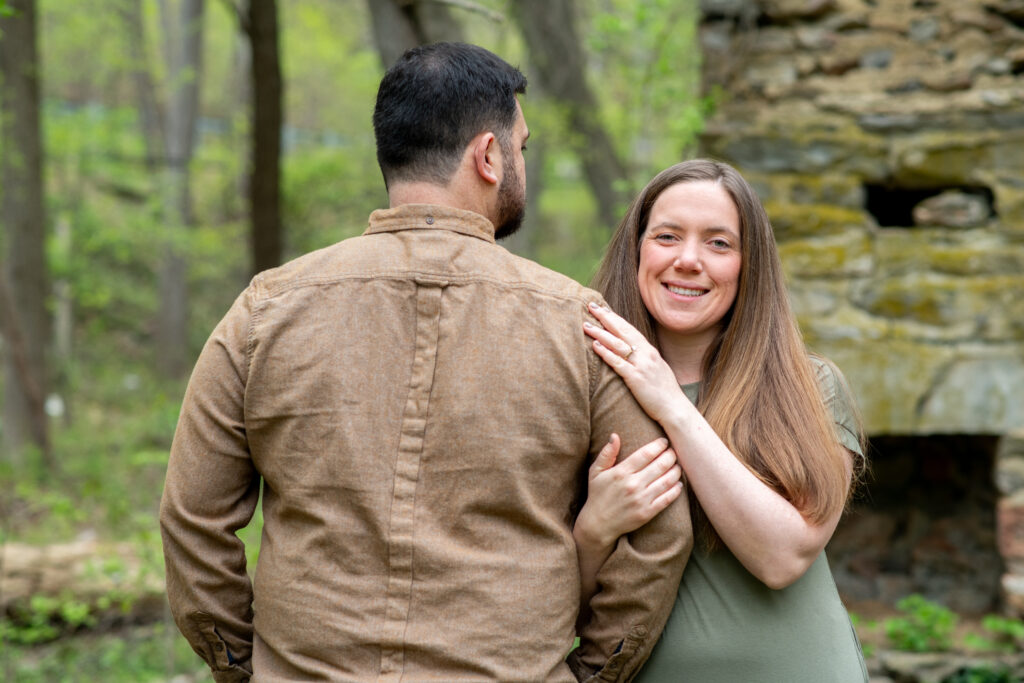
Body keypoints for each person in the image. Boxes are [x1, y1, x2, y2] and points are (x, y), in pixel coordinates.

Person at [159, 42, 692, 683]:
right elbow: (662, 527)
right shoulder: (577, 323)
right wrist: (594, 671)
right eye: (522, 148)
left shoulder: (265, 311)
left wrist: (242, 666)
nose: (524, 163)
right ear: (489, 156)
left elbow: (192, 519)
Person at [572, 159, 869, 682]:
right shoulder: (580, 386)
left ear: (749, 264)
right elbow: (547, 601)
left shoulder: (810, 388)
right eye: (667, 236)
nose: (688, 260)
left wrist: (671, 403)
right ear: (636, 248)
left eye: (719, 243)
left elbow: (783, 558)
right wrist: (596, 529)